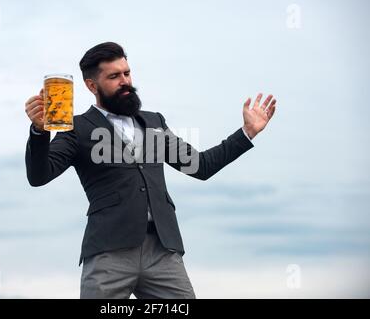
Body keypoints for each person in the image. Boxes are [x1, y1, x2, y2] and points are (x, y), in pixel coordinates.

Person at [24, 42, 276, 299]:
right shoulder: (77, 128)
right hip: (109, 251)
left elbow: (201, 166)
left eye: (127, 73)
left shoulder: (154, 122)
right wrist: (39, 132)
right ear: (92, 85)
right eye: (114, 76)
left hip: (162, 251)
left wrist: (248, 132)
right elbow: (39, 175)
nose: (125, 81)